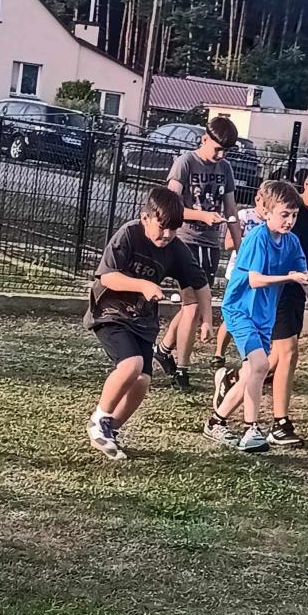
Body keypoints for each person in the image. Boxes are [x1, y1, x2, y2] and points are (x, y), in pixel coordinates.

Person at [215, 161, 308, 448]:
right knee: (270, 361)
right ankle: (260, 428)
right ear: (267, 212)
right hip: (244, 309)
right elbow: (254, 280)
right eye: (285, 215)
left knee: (259, 368)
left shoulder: (293, 239)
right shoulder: (260, 237)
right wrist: (288, 277)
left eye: (294, 216)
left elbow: (307, 272)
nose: (290, 220)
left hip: (269, 307)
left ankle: (218, 418)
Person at [84, 187, 210, 460]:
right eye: (162, 227)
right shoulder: (129, 234)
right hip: (110, 312)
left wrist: (207, 320)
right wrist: (143, 284)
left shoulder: (176, 249)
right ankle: (99, 419)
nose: (167, 235)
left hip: (142, 320)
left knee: (141, 381)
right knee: (132, 365)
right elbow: (107, 276)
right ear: (145, 218)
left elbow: (200, 284)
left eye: (174, 229)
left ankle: (110, 430)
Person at [153, 116, 242, 392]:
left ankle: (164, 349)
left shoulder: (225, 168)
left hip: (210, 245)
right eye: (217, 149)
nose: (221, 155)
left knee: (189, 306)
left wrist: (241, 248)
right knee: (192, 305)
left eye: (226, 151)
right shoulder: (185, 163)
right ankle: (182, 368)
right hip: (185, 241)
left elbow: (231, 210)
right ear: (204, 139)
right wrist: (202, 216)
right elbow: (170, 206)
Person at [212, 181, 270, 369]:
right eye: (265, 202)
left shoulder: (273, 222)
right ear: (258, 199)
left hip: (260, 275)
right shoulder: (245, 216)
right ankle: (219, 353)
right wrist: (251, 242)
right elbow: (228, 243)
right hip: (239, 271)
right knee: (233, 315)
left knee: (252, 316)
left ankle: (249, 355)